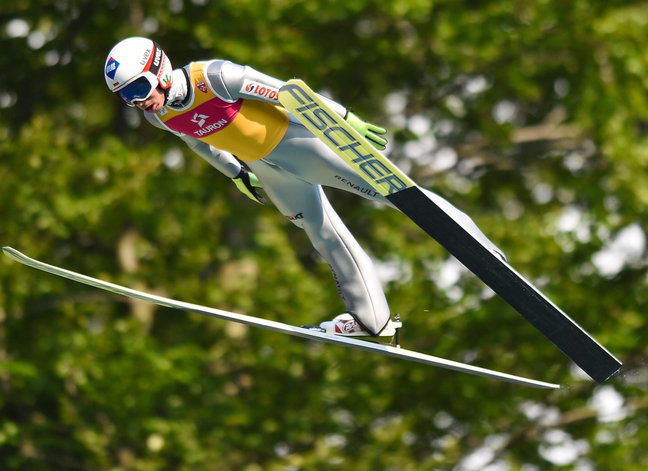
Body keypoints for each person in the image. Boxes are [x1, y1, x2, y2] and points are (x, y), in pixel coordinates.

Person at [103, 36, 503, 337]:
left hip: (303, 146)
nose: (137, 102)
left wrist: (346, 119)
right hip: (269, 168)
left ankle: (483, 251)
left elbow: (288, 93)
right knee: (322, 233)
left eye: (138, 89)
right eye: (126, 98)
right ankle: (371, 318)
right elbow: (197, 143)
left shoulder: (214, 77)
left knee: (396, 194)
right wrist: (235, 173)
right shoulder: (160, 116)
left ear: (158, 68)